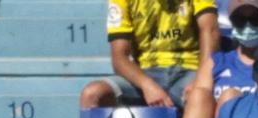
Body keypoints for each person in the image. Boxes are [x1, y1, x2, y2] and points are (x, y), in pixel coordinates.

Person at [81, 0, 219, 111]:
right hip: (145, 73)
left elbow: (210, 30)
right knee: (92, 94)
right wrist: (147, 85)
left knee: (199, 95)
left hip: (189, 69)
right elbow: (119, 58)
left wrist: (201, 78)